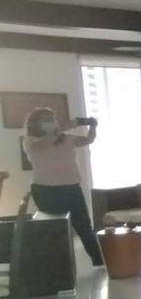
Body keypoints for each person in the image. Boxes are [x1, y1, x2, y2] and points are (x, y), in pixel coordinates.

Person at [22, 108, 104, 267]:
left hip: (71, 188)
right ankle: (57, 266)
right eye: (46, 119)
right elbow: (47, 142)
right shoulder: (30, 141)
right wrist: (74, 123)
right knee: (53, 228)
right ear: (35, 123)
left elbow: (89, 140)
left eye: (52, 118)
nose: (51, 122)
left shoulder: (66, 138)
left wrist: (93, 126)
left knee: (84, 225)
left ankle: (98, 260)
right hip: (45, 190)